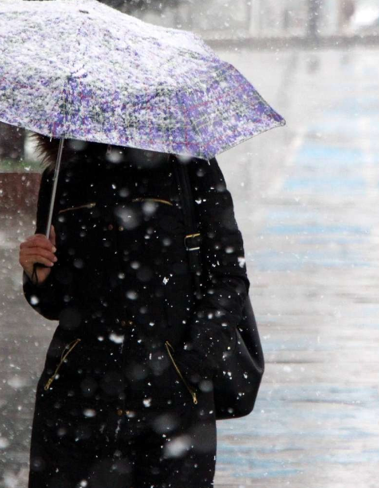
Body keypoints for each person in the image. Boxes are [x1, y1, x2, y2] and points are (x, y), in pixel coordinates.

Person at [18, 139, 249, 488]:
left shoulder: (188, 167)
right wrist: (38, 273)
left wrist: (190, 365)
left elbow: (229, 277)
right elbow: (55, 304)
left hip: (172, 403)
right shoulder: (64, 173)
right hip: (77, 397)